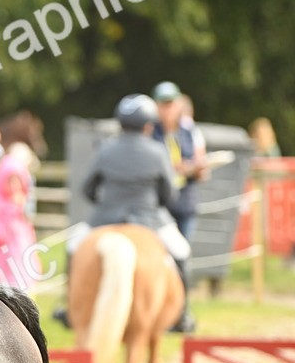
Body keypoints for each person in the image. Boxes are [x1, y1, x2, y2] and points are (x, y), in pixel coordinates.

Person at [58, 95, 195, 332]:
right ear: (148, 125)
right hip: (149, 220)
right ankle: (182, 314)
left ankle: (70, 306)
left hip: (105, 218)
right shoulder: (158, 151)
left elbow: (87, 188)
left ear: (120, 123)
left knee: (73, 247)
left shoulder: (105, 150)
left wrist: (105, 204)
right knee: (181, 251)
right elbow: (169, 194)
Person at [0, 152, 41, 289]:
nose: (14, 185)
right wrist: (10, 210)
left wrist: (34, 259)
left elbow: (27, 234)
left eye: (18, 180)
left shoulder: (21, 202)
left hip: (20, 268)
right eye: (10, 180)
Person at [152, 81, 208, 243]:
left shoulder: (190, 131)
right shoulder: (150, 132)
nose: (168, 109)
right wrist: (175, 168)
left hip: (185, 202)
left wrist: (196, 169)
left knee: (183, 252)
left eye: (171, 104)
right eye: (164, 104)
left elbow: (202, 170)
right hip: (160, 205)